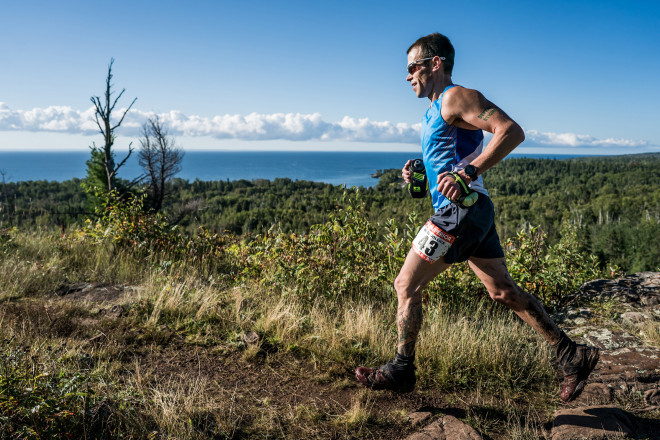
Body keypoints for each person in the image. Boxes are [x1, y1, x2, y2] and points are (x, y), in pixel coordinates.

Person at [355, 33, 599, 403]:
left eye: (412, 67)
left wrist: (467, 172)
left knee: (406, 285)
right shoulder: (433, 111)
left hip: (461, 211)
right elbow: (450, 157)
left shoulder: (456, 96)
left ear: (435, 63)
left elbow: (511, 131)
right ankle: (572, 354)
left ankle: (401, 370)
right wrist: (420, 171)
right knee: (501, 291)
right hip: (474, 211)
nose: (407, 76)